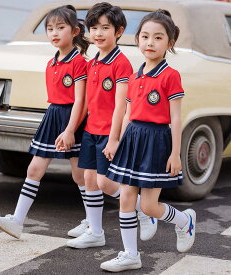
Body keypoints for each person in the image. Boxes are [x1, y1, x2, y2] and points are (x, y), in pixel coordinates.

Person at [100, 9, 196, 272]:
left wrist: (176, 153)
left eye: (157, 37)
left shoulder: (170, 75)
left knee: (149, 205)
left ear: (170, 43)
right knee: (127, 198)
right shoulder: (135, 75)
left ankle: (183, 221)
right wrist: (116, 140)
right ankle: (130, 254)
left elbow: (176, 118)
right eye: (144, 36)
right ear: (137, 39)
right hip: (133, 140)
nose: (150, 42)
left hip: (157, 141)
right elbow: (129, 115)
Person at [0, 5, 89, 239]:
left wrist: (70, 130)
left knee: (81, 176)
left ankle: (92, 220)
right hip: (52, 116)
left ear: (74, 31)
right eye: (50, 28)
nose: (54, 33)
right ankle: (17, 220)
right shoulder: (52, 62)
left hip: (72, 120)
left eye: (60, 28)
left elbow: (81, 102)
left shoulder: (79, 62)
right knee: (34, 168)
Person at [64, 2, 157, 249]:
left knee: (105, 183)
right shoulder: (93, 61)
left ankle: (144, 211)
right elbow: (85, 101)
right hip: (91, 130)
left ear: (119, 31)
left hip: (109, 132)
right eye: (93, 28)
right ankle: (95, 232)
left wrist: (115, 138)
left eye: (105, 28)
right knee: (89, 179)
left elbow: (121, 106)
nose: (98, 33)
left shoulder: (121, 63)